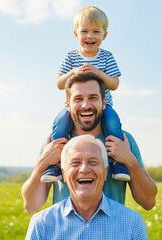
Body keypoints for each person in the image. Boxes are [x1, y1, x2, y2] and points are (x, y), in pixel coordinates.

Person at [21, 72, 157, 213]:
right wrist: (43, 163)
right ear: (68, 105)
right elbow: (31, 205)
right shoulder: (54, 144)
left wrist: (130, 161)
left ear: (104, 103)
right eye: (78, 99)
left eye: (93, 98)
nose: (86, 105)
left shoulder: (123, 141)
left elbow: (148, 202)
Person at [42, 6, 129, 183]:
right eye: (85, 31)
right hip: (75, 106)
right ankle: (55, 165)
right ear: (76, 34)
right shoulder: (71, 57)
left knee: (112, 122)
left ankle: (118, 163)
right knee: (60, 122)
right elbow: (59, 83)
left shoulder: (106, 57)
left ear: (104, 35)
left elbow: (114, 84)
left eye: (96, 32)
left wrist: (99, 73)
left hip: (103, 106)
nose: (90, 36)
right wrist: (72, 72)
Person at [25, 135, 148, 239]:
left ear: (105, 172)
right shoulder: (41, 225)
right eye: (75, 162)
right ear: (64, 174)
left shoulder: (133, 223)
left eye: (93, 162)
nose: (84, 169)